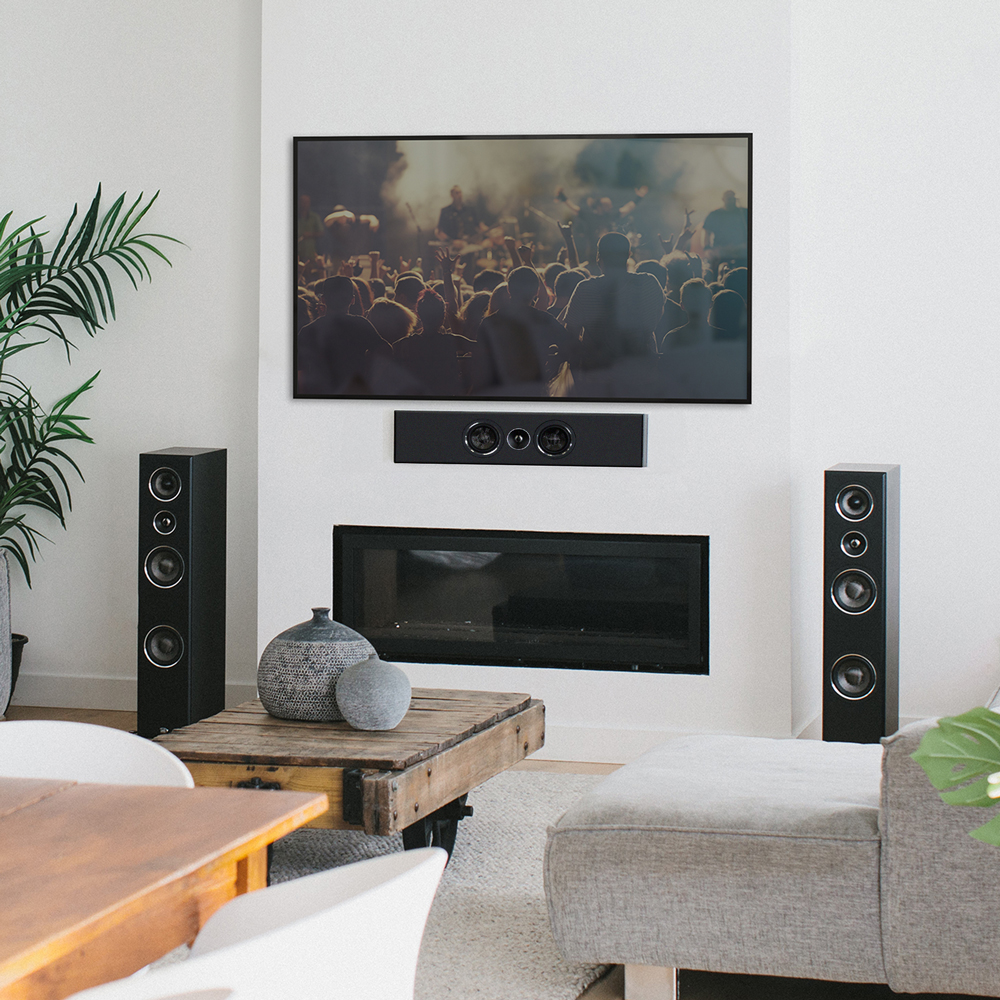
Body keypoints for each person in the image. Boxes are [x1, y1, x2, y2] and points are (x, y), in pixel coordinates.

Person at [562, 232, 664, 372]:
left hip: (597, 373)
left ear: (599, 257)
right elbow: (653, 322)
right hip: (641, 370)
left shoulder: (585, 288)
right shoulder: (648, 283)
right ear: (628, 255)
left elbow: (571, 334)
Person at [472, 266, 571, 392]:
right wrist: (551, 366)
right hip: (533, 390)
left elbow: (478, 362)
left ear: (508, 289)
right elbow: (571, 346)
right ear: (536, 291)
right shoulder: (544, 320)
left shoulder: (489, 323)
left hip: (498, 393)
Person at [296, 275, 390, 394]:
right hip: (354, 391)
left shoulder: (309, 330)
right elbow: (386, 350)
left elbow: (299, 369)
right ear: (352, 300)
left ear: (323, 299)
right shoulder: (360, 325)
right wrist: (371, 379)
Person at [701, 190, 748, 266]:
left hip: (741, 251)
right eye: (729, 199)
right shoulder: (715, 215)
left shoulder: (744, 213)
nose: (732, 201)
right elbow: (707, 232)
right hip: (721, 252)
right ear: (723, 199)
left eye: (733, 199)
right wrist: (707, 248)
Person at [296, 194, 323, 263]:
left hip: (310, 253)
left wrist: (310, 234)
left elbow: (321, 232)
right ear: (299, 202)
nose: (305, 204)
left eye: (307, 202)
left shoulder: (314, 217)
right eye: (303, 202)